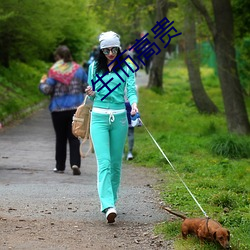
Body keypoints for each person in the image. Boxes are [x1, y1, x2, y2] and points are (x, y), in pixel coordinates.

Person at [85, 31, 138, 223]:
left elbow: (131, 90)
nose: (110, 53)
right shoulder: (93, 67)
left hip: (120, 118)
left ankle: (112, 201)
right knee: (104, 163)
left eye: (113, 49)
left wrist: (133, 104)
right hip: (98, 117)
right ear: (101, 50)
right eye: (106, 50)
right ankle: (107, 205)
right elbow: (91, 95)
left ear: (119, 48)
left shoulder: (127, 67)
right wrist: (90, 92)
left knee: (116, 164)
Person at [39, 45, 88, 175]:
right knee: (74, 137)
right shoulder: (79, 70)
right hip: (75, 109)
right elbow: (86, 86)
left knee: (60, 138)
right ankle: (75, 163)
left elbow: (47, 90)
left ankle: (60, 166)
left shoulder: (54, 71)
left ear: (58, 57)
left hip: (58, 109)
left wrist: (42, 83)